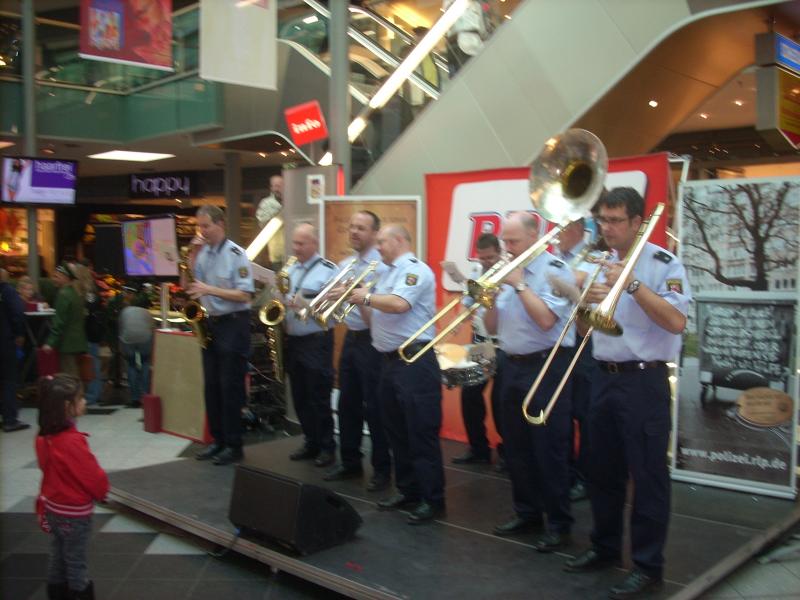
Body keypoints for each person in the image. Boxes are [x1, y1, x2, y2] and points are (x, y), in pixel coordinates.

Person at [564, 188, 691, 599]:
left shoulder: (662, 263)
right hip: (602, 375)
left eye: (616, 220)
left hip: (643, 381)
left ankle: (648, 565)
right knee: (601, 471)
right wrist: (584, 303)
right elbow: (585, 331)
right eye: (602, 220)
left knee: (648, 476)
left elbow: (675, 322)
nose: (607, 228)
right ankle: (604, 547)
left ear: (637, 222)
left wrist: (632, 284)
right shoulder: (599, 263)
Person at [484, 212, 576, 552]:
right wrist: (490, 299)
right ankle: (527, 513)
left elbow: (545, 320)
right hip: (510, 364)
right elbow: (492, 327)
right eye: (505, 242)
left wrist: (520, 283)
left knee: (549, 449)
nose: (506, 248)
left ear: (535, 238)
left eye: (513, 242)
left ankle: (559, 524)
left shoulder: (555, 271)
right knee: (517, 447)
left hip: (546, 365)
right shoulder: (506, 271)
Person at [348, 225, 445, 525]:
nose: (378, 247)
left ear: (400, 240)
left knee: (420, 432)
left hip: (414, 360)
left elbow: (399, 304)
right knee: (395, 430)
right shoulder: (385, 273)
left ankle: (432, 498)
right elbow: (375, 316)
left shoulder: (415, 270)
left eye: (382, 241)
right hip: (387, 361)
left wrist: (365, 297)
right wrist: (355, 299)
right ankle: (408, 489)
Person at [322, 211, 391, 493]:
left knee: (375, 408)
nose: (354, 232)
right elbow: (341, 312)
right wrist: (333, 300)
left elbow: (376, 316)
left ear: (375, 233)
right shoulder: (346, 264)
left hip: (374, 342)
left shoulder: (383, 267)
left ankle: (382, 468)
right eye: (351, 227)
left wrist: (358, 295)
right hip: (351, 339)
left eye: (361, 228)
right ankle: (349, 461)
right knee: (347, 403)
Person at [188, 206, 255, 466]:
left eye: (206, 226)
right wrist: (191, 257)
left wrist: (211, 290)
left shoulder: (236, 254)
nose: (202, 231)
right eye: (199, 227)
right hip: (212, 323)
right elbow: (192, 285)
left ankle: (234, 444)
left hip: (234, 324)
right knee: (212, 386)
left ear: (220, 224)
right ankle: (217, 440)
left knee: (231, 387)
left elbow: (245, 294)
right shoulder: (203, 253)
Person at [36, 373, 109, 600]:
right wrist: (102, 492)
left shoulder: (43, 438)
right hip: (74, 514)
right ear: (68, 406)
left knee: (58, 555)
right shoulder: (72, 442)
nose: (85, 401)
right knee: (76, 562)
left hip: (52, 506)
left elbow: (46, 468)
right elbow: (91, 477)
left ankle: (56, 593)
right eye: (81, 398)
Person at [283, 223, 337, 468]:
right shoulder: (291, 269)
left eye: (301, 243)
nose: (296, 248)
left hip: (316, 341)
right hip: (293, 340)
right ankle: (310, 441)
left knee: (318, 396)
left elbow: (332, 314)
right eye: (294, 243)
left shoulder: (328, 270)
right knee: (300, 395)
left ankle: (327, 446)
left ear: (314, 243)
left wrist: (305, 304)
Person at [451, 233, 505, 467]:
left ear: (499, 252)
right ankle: (478, 448)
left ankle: (508, 453)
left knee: (501, 401)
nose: (486, 262)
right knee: (469, 395)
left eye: (490, 257)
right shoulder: (476, 270)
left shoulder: (508, 271)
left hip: (503, 344)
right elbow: (468, 304)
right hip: (481, 341)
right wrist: (456, 322)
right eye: (482, 258)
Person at [553, 219, 594, 502]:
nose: (557, 235)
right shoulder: (555, 259)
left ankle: (586, 477)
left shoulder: (594, 257)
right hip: (558, 342)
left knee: (586, 413)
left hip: (584, 341)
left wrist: (569, 283)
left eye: (562, 229)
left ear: (578, 230)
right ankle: (563, 473)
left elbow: (584, 287)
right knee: (561, 413)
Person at [43, 264, 88, 378]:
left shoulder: (63, 294)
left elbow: (59, 322)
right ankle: (78, 395)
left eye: (56, 276)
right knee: (75, 375)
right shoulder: (74, 294)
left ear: (65, 277)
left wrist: (50, 342)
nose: (53, 279)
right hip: (77, 341)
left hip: (66, 343)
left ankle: (75, 396)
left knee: (69, 377)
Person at [118, 285, 155, 408]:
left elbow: (120, 327)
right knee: (145, 363)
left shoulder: (125, 311)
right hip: (145, 339)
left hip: (128, 338)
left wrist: (120, 344)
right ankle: (145, 395)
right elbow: (152, 328)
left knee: (131, 365)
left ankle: (134, 398)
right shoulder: (147, 313)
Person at [1, 277, 28, 432]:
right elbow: (18, 312)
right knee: (9, 381)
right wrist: (19, 334)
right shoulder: (7, 291)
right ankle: (10, 419)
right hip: (5, 342)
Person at [443, 0, 488, 76]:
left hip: (473, 44)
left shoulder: (477, 4)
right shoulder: (452, 2)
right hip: (459, 45)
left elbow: (482, 28)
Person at [255, 174, 285, 266]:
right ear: (271, 188)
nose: (276, 189)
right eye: (274, 186)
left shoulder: (293, 201)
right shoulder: (266, 203)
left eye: (279, 186)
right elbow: (262, 223)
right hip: (276, 253)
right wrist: (279, 213)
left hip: (293, 252)